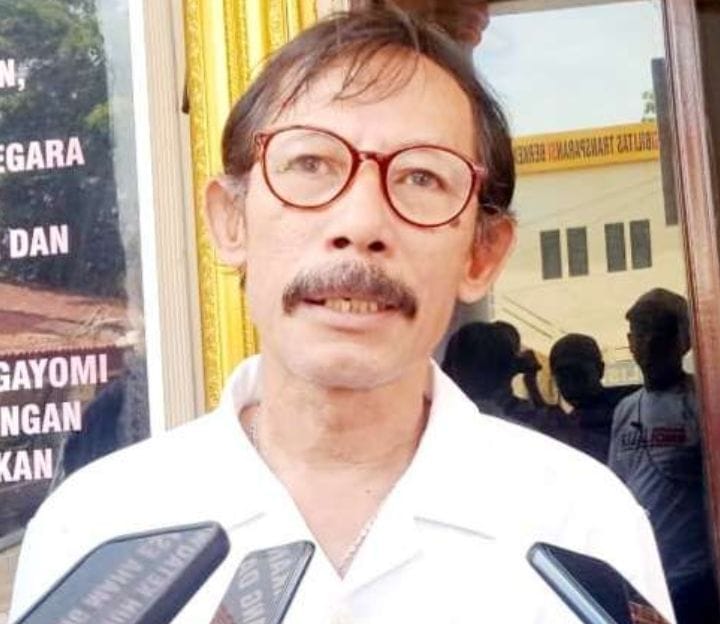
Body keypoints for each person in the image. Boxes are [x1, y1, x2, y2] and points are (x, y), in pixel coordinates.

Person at [10, 10, 673, 623]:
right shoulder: (99, 533)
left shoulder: (581, 526)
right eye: (310, 163)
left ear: (482, 252)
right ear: (231, 221)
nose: (360, 223)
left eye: (422, 178)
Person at [609, 289, 719, 624]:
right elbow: (618, 489)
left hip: (694, 576)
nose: (649, 344)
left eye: (659, 333)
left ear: (683, 341)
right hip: (643, 578)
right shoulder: (626, 409)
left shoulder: (703, 401)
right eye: (640, 333)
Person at [550, 333, 635, 463]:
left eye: (578, 374)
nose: (571, 383)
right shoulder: (564, 422)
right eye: (563, 376)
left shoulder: (631, 406)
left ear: (600, 369)